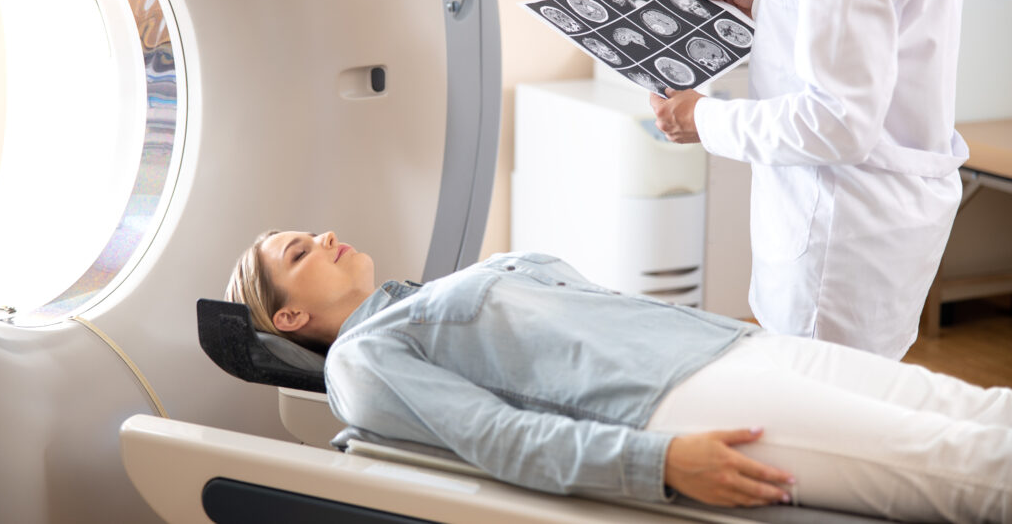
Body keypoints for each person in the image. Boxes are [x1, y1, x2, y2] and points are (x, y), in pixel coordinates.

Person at [225, 229, 1012, 523]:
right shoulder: (364, 360)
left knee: (980, 409)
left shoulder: (423, 299)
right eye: (297, 254)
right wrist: (659, 463)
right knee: (960, 463)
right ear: (289, 318)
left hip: (734, 347)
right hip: (675, 402)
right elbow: (495, 437)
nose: (323, 236)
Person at [649, 0, 968, 359]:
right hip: (879, 220)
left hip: (839, 238)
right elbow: (886, 15)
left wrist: (701, 119)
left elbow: (836, 122)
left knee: (816, 410)